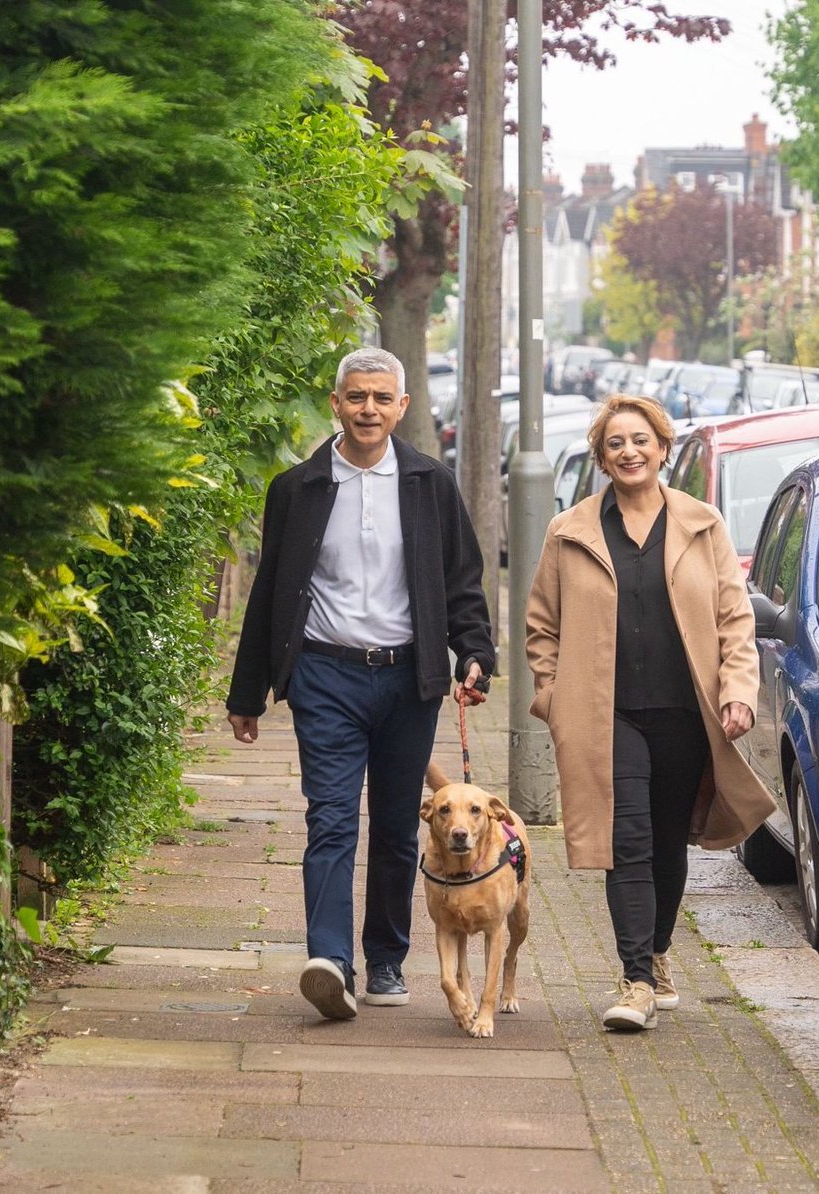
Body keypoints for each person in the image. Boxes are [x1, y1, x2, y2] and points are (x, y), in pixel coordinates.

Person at [227, 347, 495, 1021]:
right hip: (325, 674)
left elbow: (462, 580)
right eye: (356, 397)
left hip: (409, 678)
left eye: (381, 398)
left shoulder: (430, 484)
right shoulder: (298, 488)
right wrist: (246, 691)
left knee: (402, 828)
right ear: (336, 403)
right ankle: (329, 962)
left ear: (402, 407)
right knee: (332, 817)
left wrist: (474, 653)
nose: (368, 409)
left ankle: (385, 959)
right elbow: (271, 593)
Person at [525, 394, 775, 1031]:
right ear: (602, 459)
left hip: (686, 714)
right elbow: (541, 627)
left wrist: (738, 690)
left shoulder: (702, 524)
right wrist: (553, 697)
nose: (629, 452)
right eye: (615, 444)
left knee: (667, 843)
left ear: (663, 449)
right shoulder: (570, 531)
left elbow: (733, 618)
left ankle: (659, 952)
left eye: (641, 440)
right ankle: (635, 978)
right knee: (626, 840)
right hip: (606, 715)